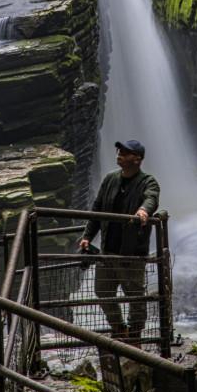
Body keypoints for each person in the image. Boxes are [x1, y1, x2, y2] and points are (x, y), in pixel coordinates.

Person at [79, 139, 160, 347]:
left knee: (135, 297)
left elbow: (151, 198)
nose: (119, 154)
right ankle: (118, 328)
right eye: (119, 150)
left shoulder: (147, 181)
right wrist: (87, 236)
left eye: (126, 152)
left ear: (138, 159)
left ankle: (134, 335)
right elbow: (97, 210)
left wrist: (143, 211)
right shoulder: (110, 179)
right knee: (102, 291)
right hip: (108, 249)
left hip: (131, 253)